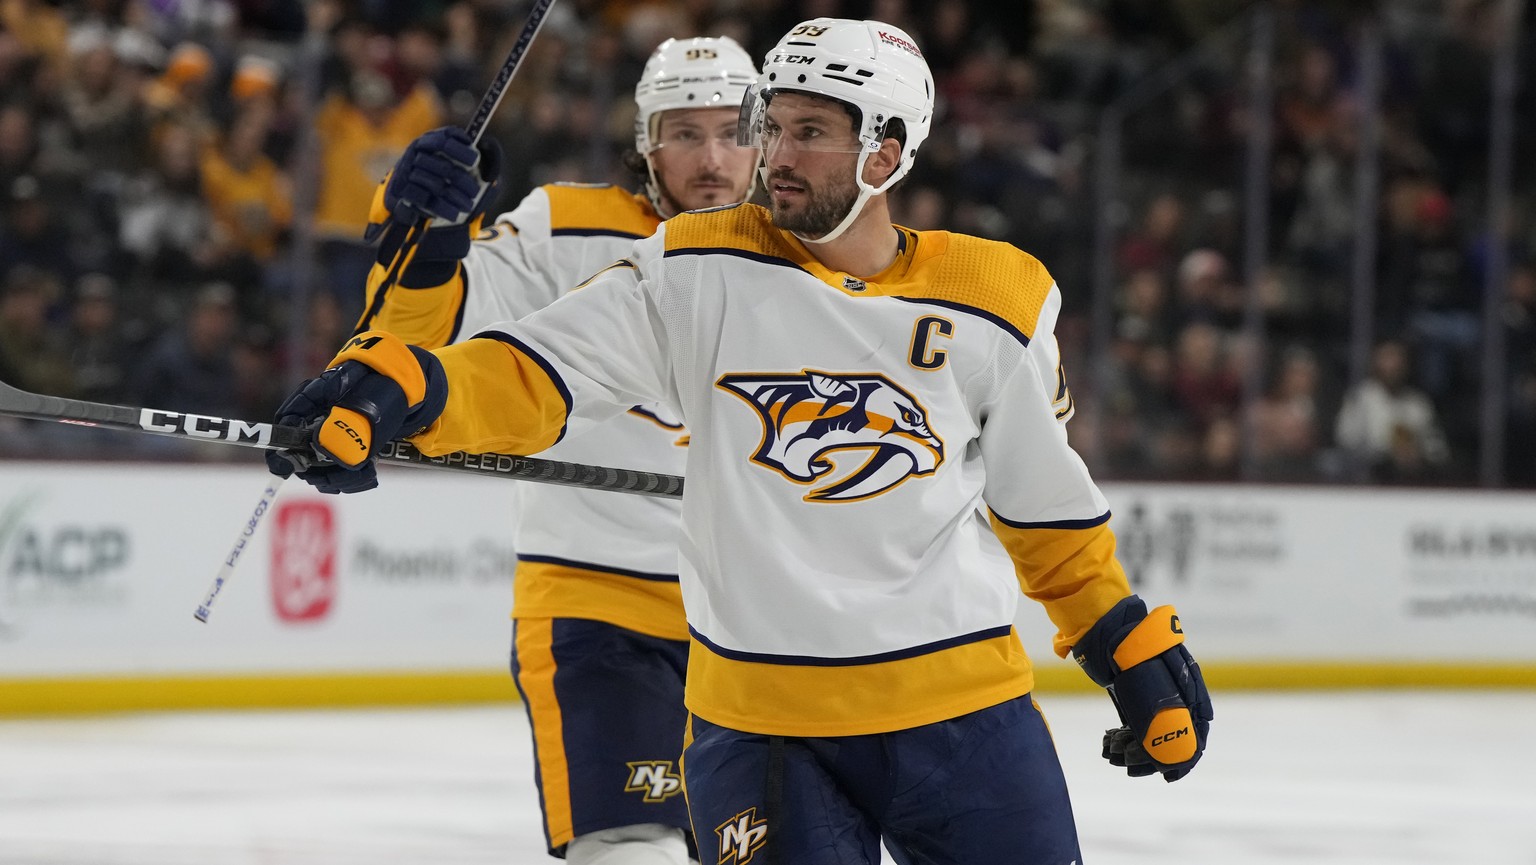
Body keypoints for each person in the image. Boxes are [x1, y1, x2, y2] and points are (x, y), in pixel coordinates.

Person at [269, 19, 1212, 864]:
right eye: (776, 125)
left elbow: (1041, 507)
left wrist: (1118, 639)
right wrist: (403, 387)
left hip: (964, 714)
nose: (775, 155)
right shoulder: (697, 266)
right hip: (759, 727)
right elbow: (531, 373)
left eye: (810, 131)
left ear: (886, 152)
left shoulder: (997, 298)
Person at [340, 36, 760, 865]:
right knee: (628, 848)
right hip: (598, 604)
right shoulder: (567, 226)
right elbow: (426, 334)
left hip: (763, 617)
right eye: (684, 133)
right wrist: (427, 235)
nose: (711, 159)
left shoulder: (817, 251)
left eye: (732, 132)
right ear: (646, 142)